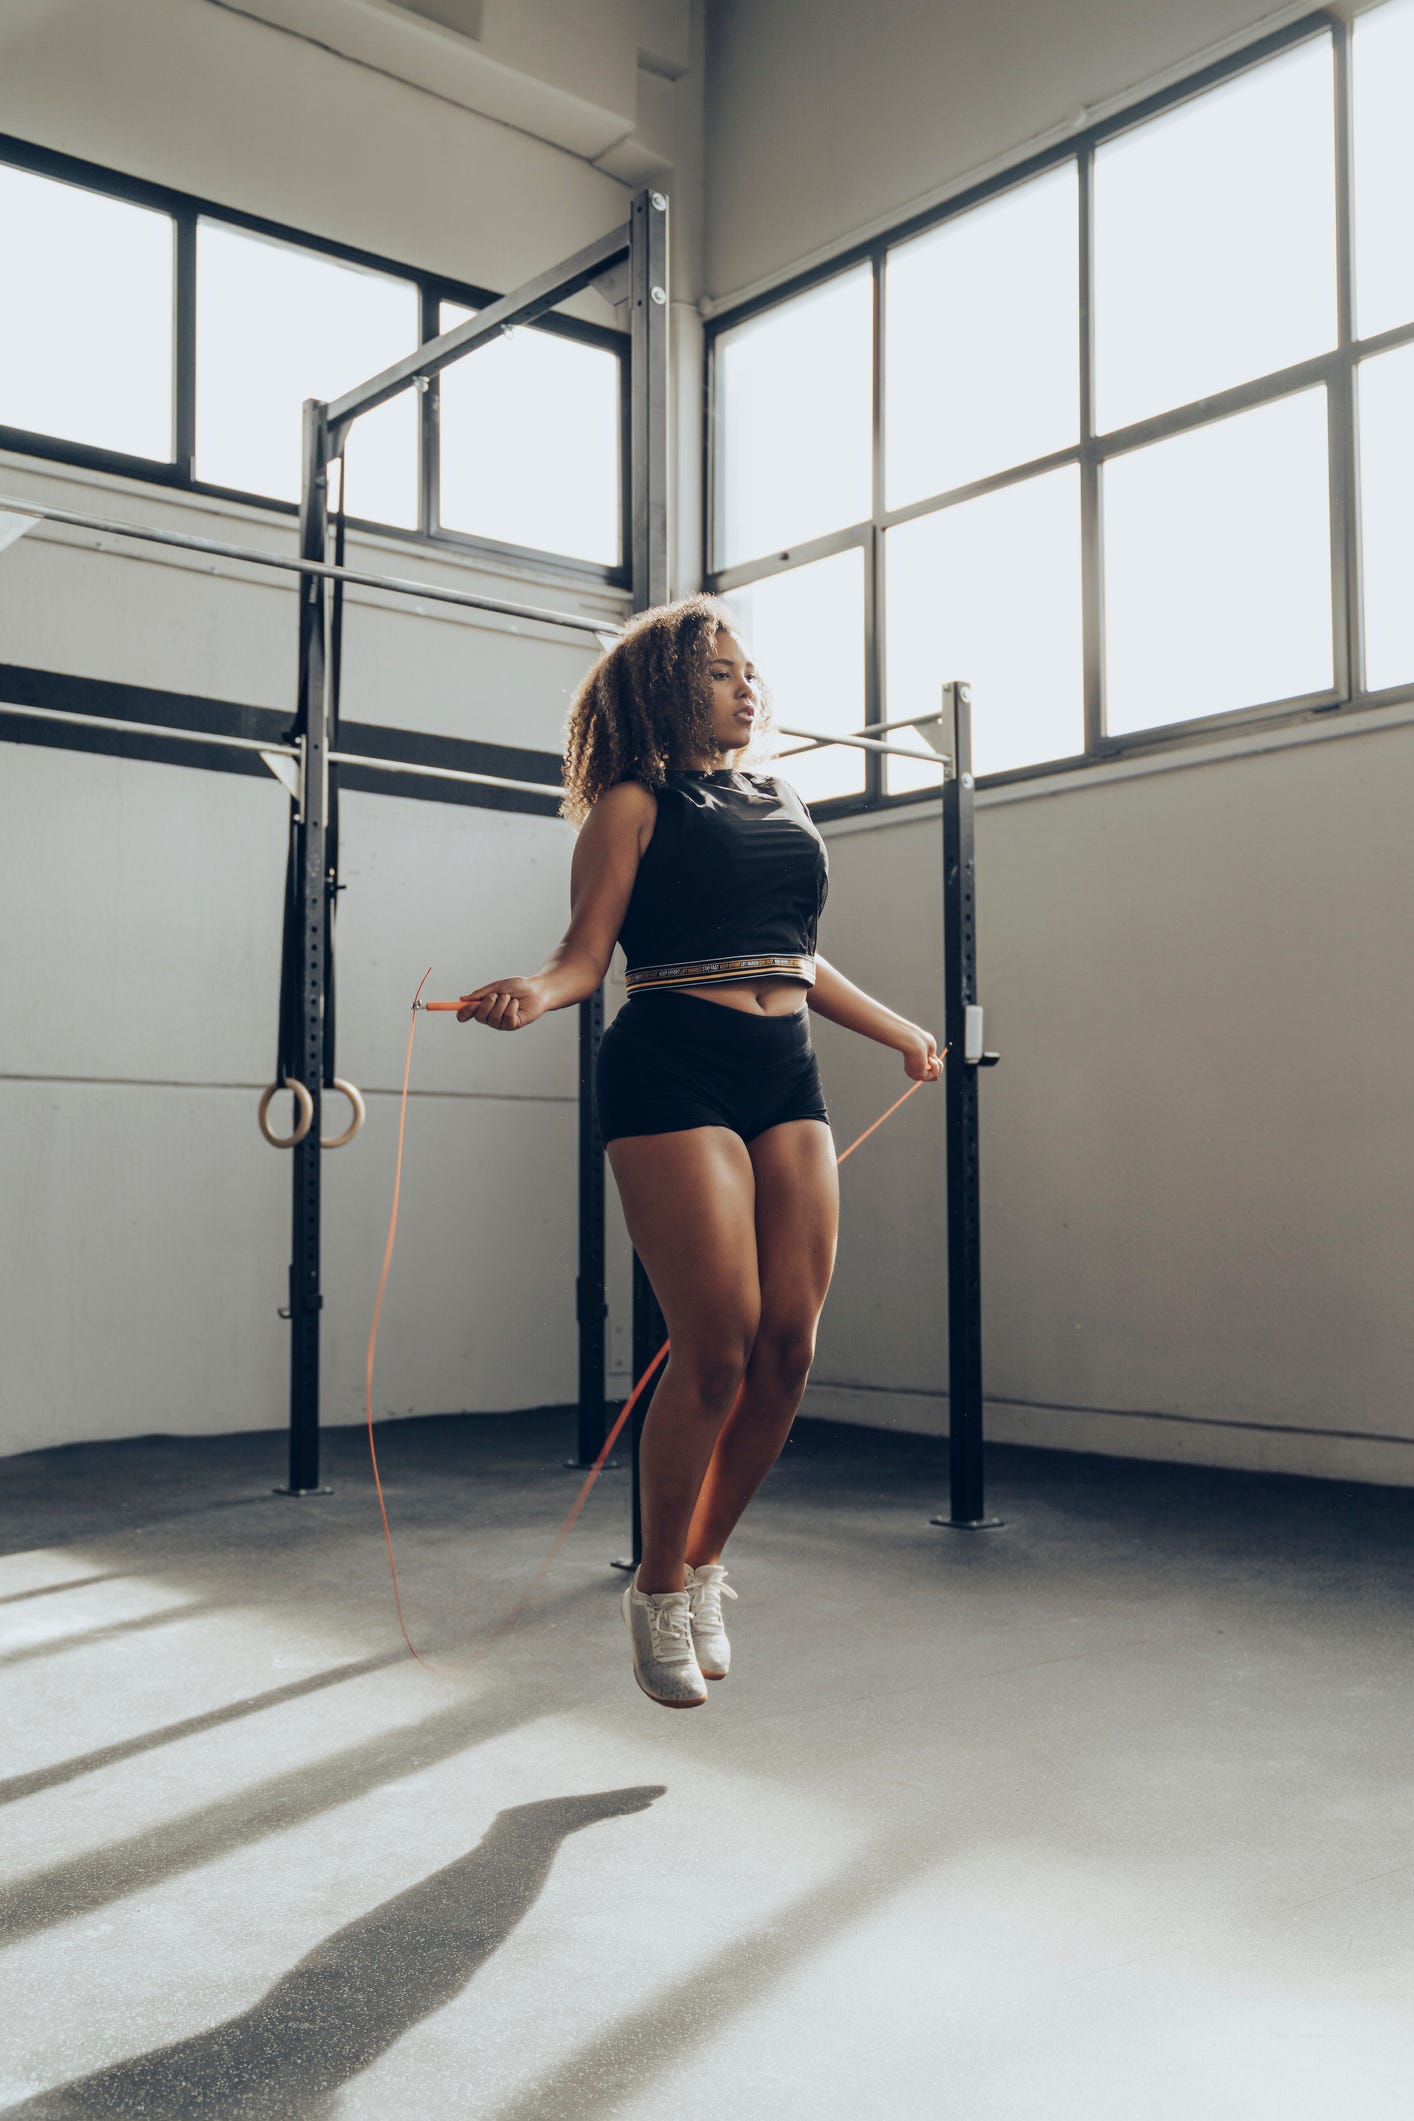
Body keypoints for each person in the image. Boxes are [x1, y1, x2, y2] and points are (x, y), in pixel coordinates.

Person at [456, 595, 942, 1708]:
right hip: (671, 1061)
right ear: (669, 690)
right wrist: (533, 993)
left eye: (748, 669)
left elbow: (800, 958)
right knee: (714, 1345)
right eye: (720, 672)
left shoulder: (780, 796)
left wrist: (900, 1028)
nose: (745, 686)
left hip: (786, 1069)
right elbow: (584, 954)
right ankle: (657, 1589)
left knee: (788, 1348)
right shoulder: (632, 803)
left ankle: (706, 1562)